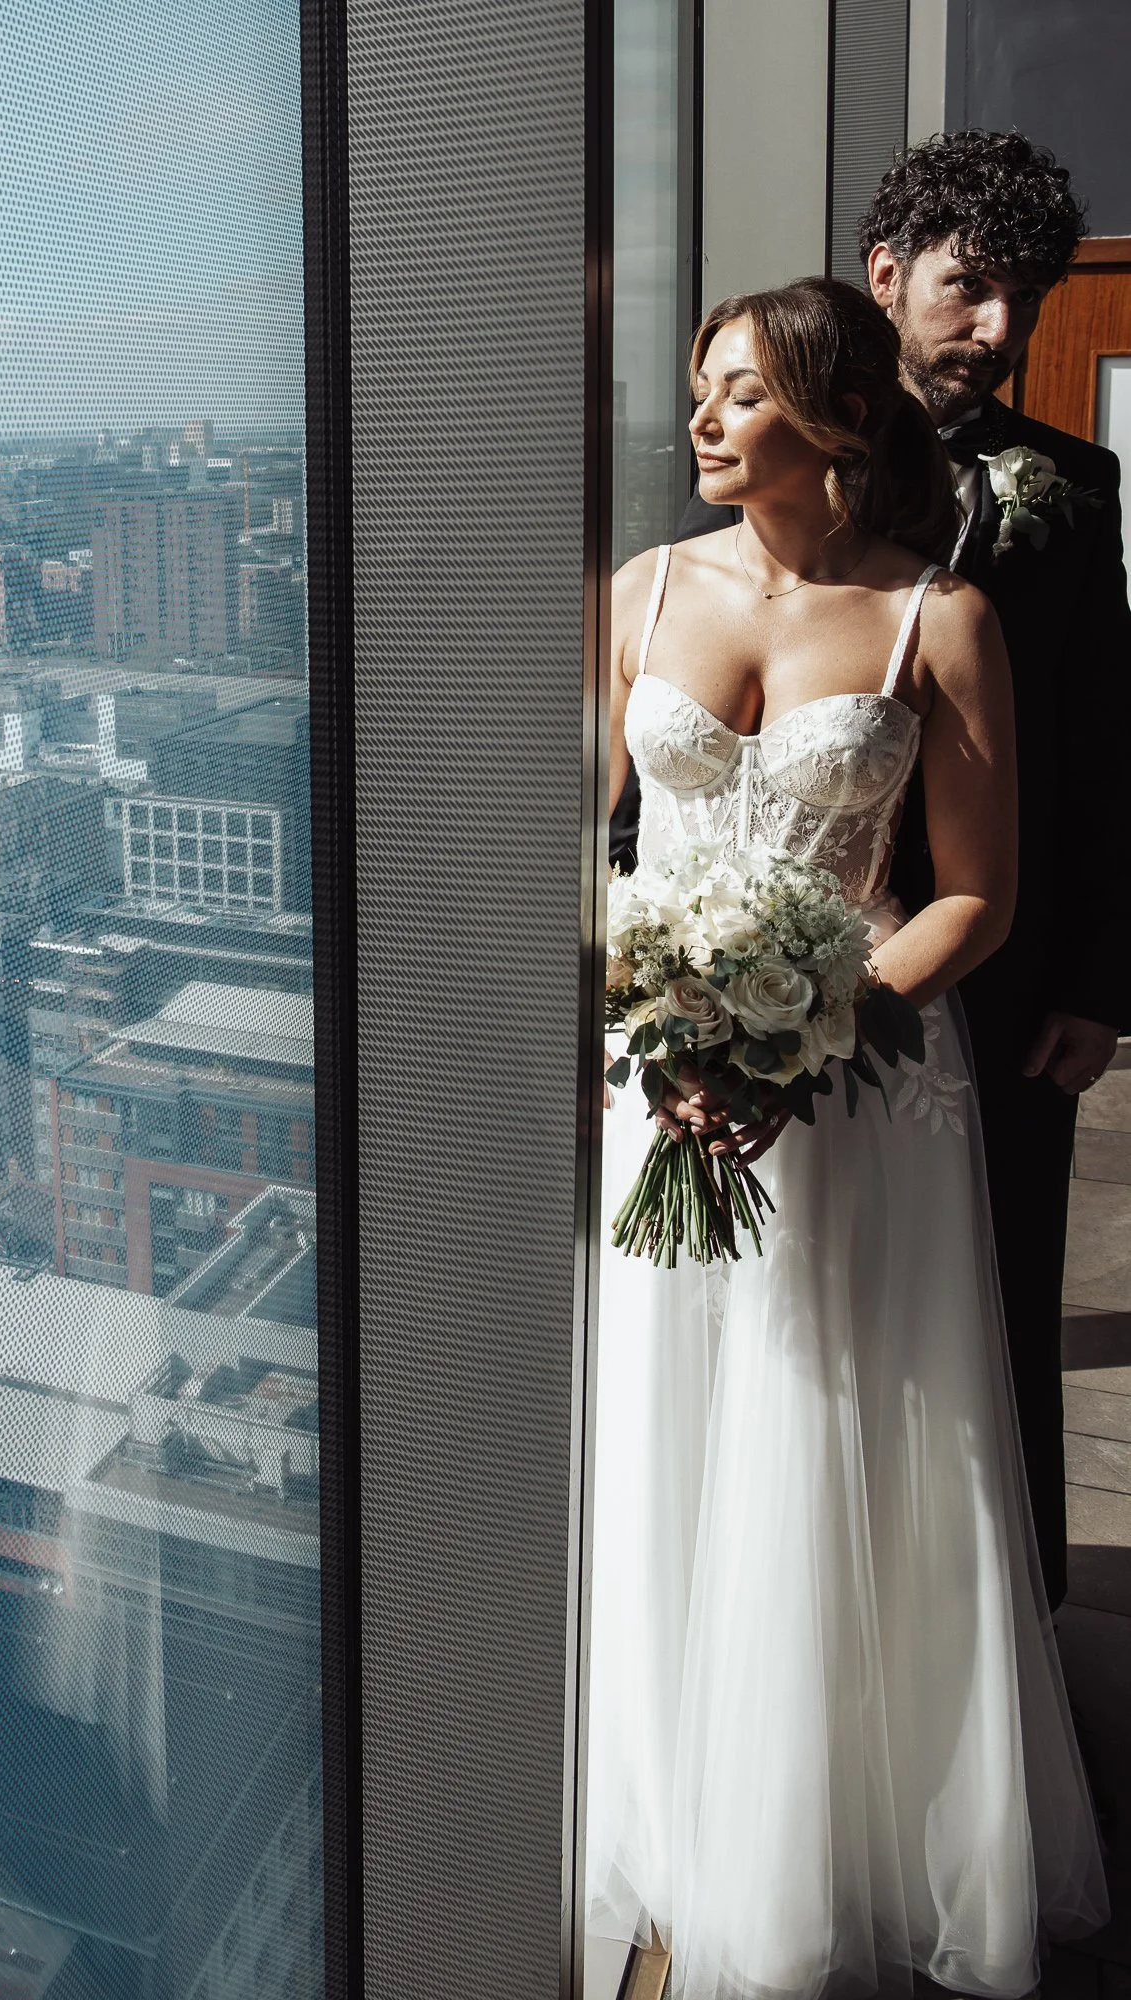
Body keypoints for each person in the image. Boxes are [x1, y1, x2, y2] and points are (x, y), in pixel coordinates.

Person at [587, 276, 1107, 1999]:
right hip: (663, 1089)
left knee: (846, 1438)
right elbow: (569, 851)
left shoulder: (936, 623)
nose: (701, 423)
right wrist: (669, 1029)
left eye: (735, 392)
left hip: (861, 1104)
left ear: (825, 409)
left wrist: (807, 1037)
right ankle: (677, 1813)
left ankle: (835, 1849)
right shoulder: (633, 595)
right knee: (675, 1439)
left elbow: (975, 891)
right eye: (695, 393)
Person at [611, 130, 1131, 1608]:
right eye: (970, 289)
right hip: (712, 990)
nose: (999, 330)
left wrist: (1099, 979)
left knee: (973, 1322)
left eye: (1021, 300)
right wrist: (664, 991)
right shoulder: (712, 506)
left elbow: (1101, 741)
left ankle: (988, 1608)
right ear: (884, 279)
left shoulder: (1065, 491)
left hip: (984, 977)